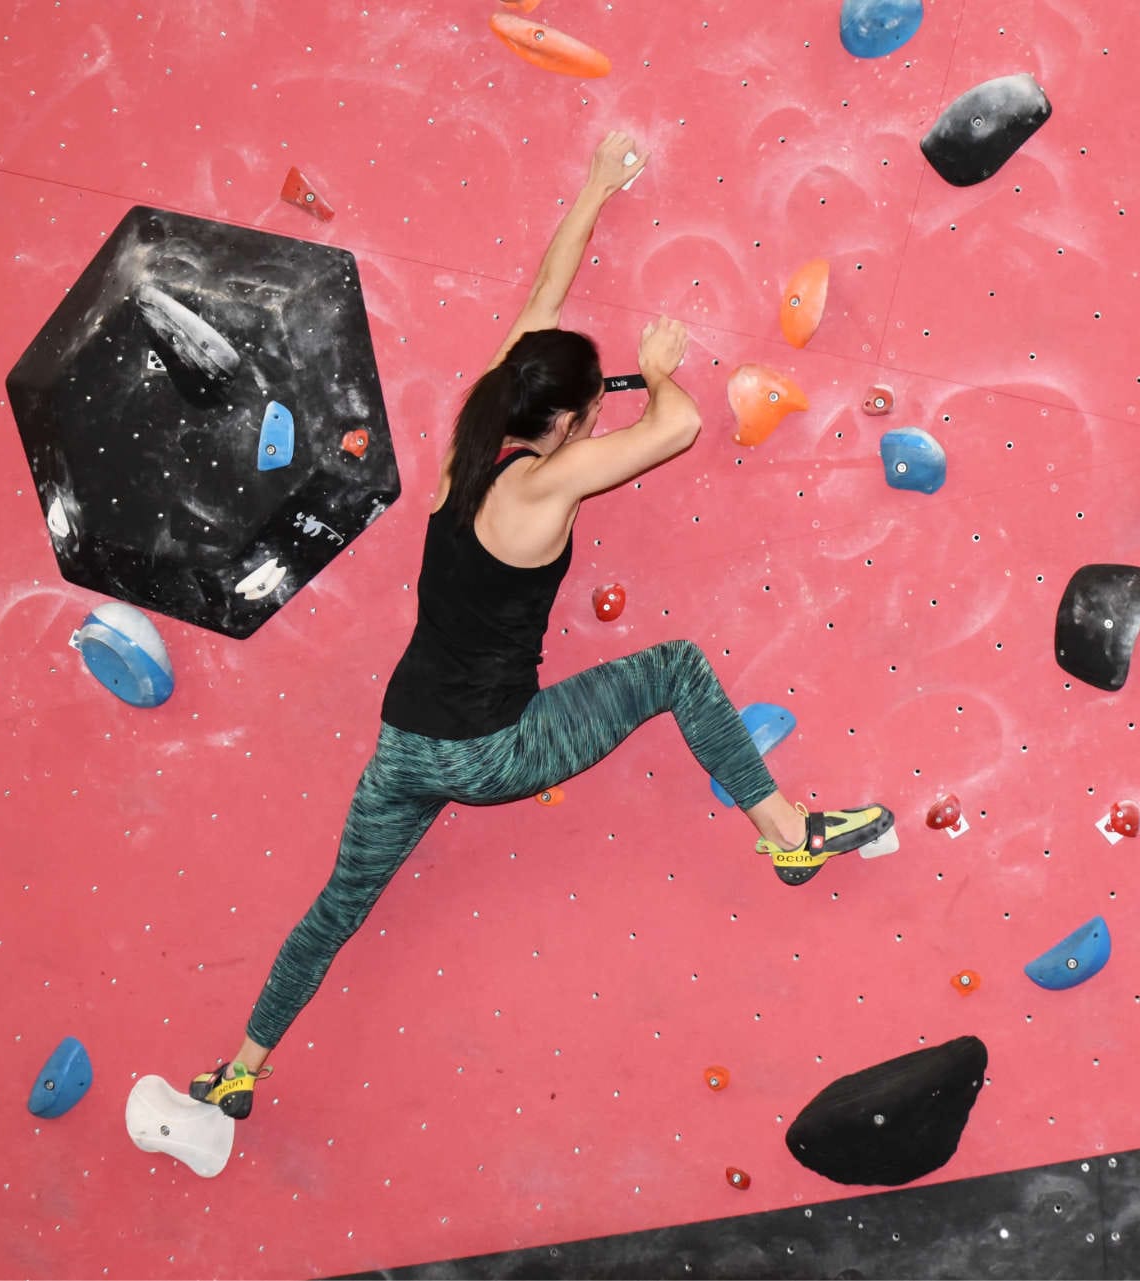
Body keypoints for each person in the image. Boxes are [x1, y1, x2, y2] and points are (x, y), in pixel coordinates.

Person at [191, 131, 894, 1120]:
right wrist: (655, 374)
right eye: (582, 415)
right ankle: (784, 834)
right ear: (562, 425)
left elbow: (540, 302)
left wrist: (600, 185)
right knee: (680, 669)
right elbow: (682, 428)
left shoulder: (474, 431)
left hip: (403, 746)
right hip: (490, 750)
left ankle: (241, 1065)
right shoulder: (547, 483)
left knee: (335, 913)